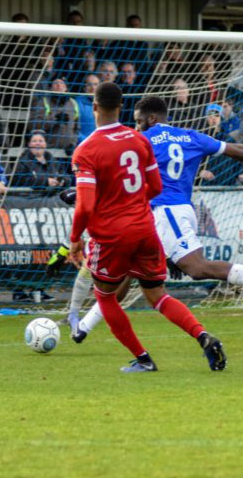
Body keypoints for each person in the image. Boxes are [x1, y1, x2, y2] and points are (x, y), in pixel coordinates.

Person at [69, 94, 243, 342]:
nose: (136, 126)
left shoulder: (141, 140)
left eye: (139, 121)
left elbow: (117, 176)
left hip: (165, 211)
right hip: (178, 210)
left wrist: (79, 191)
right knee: (126, 271)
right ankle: (82, 329)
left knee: (197, 268)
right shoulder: (191, 136)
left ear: (151, 118)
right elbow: (238, 151)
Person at [66, 82, 226, 372]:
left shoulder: (86, 150)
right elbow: (154, 186)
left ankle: (143, 359)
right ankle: (203, 336)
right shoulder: (139, 140)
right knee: (157, 294)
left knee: (105, 295)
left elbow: (85, 206)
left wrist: (75, 239)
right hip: (146, 228)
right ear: (122, 107)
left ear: (94, 107)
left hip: (113, 234)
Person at [30, 78, 80, 153]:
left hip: (68, 152)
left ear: (66, 88)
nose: (59, 85)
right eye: (56, 83)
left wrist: (73, 143)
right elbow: (33, 125)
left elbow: (77, 128)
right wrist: (55, 120)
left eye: (62, 83)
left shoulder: (73, 103)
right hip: (48, 150)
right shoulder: (43, 102)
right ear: (50, 88)